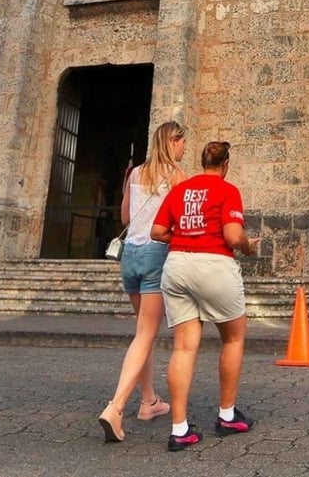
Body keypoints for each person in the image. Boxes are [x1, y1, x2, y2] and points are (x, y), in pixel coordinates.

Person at [151, 140, 258, 451]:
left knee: (184, 348)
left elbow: (157, 232)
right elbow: (232, 236)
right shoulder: (227, 190)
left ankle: (180, 429)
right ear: (225, 164)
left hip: (177, 265)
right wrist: (248, 245)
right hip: (214, 265)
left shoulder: (180, 189)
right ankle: (226, 416)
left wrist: (185, 237)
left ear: (202, 162)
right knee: (234, 337)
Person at [98, 121, 188, 442]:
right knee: (146, 334)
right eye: (182, 142)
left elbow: (125, 218)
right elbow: (178, 221)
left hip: (130, 256)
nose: (184, 148)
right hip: (155, 254)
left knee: (142, 333)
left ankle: (148, 401)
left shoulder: (136, 173)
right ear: (172, 141)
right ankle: (116, 407)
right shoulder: (177, 177)